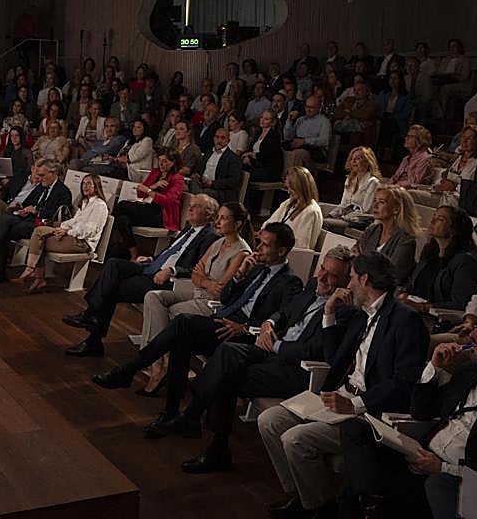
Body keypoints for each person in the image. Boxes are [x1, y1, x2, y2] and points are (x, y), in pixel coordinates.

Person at [258, 252, 428, 519]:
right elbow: (333, 359)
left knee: (295, 439)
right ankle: (302, 496)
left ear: (364, 279)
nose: (347, 287)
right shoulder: (361, 314)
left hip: (366, 414)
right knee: (269, 419)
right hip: (339, 394)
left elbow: (404, 383)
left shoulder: (405, 320)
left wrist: (356, 404)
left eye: (351, 279)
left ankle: (318, 508)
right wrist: (328, 314)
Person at [166, 246, 356, 473]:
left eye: (332, 275)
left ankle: (208, 437)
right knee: (228, 351)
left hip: (295, 368)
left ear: (346, 279)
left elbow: (314, 350)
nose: (322, 277)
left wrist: (277, 343)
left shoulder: (345, 310)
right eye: (322, 269)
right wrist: (270, 323)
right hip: (271, 347)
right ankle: (194, 418)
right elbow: (285, 312)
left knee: (227, 378)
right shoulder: (314, 285)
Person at [337, 306, 477, 519]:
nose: (474, 334)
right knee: (354, 428)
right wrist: (434, 366)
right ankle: (371, 503)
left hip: (453, 479)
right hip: (420, 453)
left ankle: (370, 502)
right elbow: (421, 411)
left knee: (353, 492)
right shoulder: (468, 373)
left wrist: (442, 468)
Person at [89, 222, 302, 399]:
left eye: (265, 245)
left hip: (241, 333)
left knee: (182, 323)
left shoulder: (290, 281)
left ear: (281, 251)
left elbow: (281, 320)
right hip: (223, 318)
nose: (258, 248)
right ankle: (170, 408)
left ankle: (129, 370)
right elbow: (226, 297)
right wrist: (239, 276)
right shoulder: (254, 267)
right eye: (260, 242)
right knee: (181, 337)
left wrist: (245, 328)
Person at [63, 194, 221, 358]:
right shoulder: (189, 229)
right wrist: (152, 258)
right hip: (152, 267)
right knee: (114, 263)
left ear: (209, 214)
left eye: (196, 206)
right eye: (190, 205)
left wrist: (172, 271)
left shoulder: (210, 237)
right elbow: (171, 251)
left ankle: (92, 334)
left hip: (168, 280)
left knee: (111, 289)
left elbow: (199, 269)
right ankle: (91, 318)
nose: (189, 208)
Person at [134, 198, 242, 392]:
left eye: (225, 218)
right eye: (219, 217)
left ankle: (156, 364)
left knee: (169, 312)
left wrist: (204, 280)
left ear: (238, 224)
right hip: (194, 292)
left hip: (210, 303)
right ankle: (160, 363)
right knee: (153, 297)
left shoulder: (241, 251)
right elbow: (195, 273)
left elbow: (221, 289)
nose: (219, 222)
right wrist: (205, 281)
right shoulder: (218, 243)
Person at [13, 172, 111, 292]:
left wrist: (67, 232)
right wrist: (62, 228)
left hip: (83, 243)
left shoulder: (99, 206)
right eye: (83, 183)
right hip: (74, 237)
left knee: (39, 238)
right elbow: (74, 221)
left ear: (96, 186)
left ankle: (32, 271)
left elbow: (88, 231)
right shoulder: (85, 202)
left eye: (89, 184)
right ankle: (36, 275)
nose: (85, 186)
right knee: (40, 232)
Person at [0, 160, 71, 284]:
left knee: (5, 232)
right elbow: (28, 202)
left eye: (42, 175)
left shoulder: (63, 192)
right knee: (6, 219)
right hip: (28, 218)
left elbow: (61, 215)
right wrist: (22, 209)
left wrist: (37, 212)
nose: (39, 179)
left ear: (53, 173)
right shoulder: (41, 186)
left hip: (42, 224)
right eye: (38, 175)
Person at [400, 205, 477, 313]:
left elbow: (460, 303)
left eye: (440, 219)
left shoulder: (464, 261)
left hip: (438, 319)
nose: (432, 221)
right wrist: (404, 294)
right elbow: (413, 282)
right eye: (434, 216)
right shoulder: (429, 251)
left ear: (454, 228)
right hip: (414, 310)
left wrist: (423, 307)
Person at [110, 150, 185, 258]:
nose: (161, 164)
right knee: (122, 219)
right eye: (160, 161)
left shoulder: (177, 178)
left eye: (165, 161)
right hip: (151, 209)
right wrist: (154, 186)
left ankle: (109, 241)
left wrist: (149, 191)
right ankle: (134, 255)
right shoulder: (156, 172)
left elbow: (168, 201)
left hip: (163, 216)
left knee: (122, 205)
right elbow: (140, 192)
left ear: (173, 162)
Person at [356, 184, 420, 285]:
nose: (375, 206)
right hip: (362, 284)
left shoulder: (406, 240)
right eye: (375, 201)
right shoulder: (371, 231)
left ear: (396, 209)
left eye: (382, 202)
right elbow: (355, 259)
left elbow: (393, 275)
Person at [322, 146, 381, 231]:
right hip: (346, 217)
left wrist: (345, 217)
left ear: (367, 162)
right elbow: (343, 205)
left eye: (358, 158)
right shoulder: (349, 180)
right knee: (322, 219)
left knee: (326, 223)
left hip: (361, 221)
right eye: (352, 159)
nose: (353, 162)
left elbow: (366, 211)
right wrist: (331, 215)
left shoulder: (373, 182)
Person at [264, 166, 324, 250]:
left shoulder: (311, 211)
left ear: (300, 187)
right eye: (288, 188)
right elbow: (268, 224)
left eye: (291, 188)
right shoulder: (289, 203)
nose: (288, 191)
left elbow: (301, 246)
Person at [189, 126, 244, 203]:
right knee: (184, 185)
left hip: (218, 190)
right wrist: (196, 174)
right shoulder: (208, 153)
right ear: (214, 138)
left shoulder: (233, 158)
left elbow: (233, 181)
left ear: (228, 141)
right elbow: (199, 169)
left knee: (203, 194)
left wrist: (212, 183)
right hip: (202, 184)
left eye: (222, 138)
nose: (219, 140)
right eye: (217, 137)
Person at [283, 95, 332, 170]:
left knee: (298, 153)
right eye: (307, 107)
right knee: (283, 150)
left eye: (311, 107)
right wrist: (289, 121)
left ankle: (294, 180)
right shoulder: (300, 119)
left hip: (315, 151)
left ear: (319, 108)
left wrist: (305, 141)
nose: (308, 110)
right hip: (298, 147)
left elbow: (324, 141)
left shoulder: (324, 121)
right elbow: (287, 137)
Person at [243, 109, 284, 183]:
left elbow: (266, 156)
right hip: (255, 166)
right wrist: (248, 157)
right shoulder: (258, 133)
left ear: (273, 122)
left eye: (266, 119)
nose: (262, 120)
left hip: (268, 170)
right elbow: (249, 150)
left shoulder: (274, 136)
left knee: (241, 173)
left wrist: (251, 156)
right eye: (261, 117)